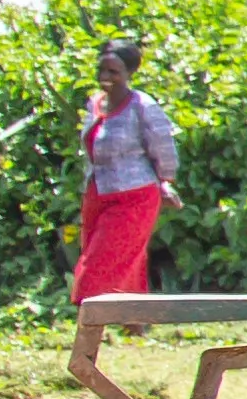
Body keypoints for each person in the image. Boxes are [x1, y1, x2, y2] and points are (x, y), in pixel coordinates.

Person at [74, 36, 176, 302]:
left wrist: (166, 182)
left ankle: (88, 322)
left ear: (129, 73)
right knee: (126, 258)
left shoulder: (142, 106)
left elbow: (163, 146)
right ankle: (134, 323)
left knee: (101, 261)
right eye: (102, 70)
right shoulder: (94, 104)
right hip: (97, 191)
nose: (105, 77)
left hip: (135, 194)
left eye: (113, 71)